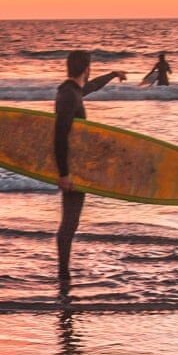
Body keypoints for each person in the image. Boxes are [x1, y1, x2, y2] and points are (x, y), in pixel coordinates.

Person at [53, 47, 125, 283]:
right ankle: (63, 276)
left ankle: (64, 272)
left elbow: (90, 86)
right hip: (72, 168)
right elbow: (60, 134)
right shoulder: (68, 96)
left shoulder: (72, 91)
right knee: (69, 222)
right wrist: (64, 174)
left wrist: (112, 74)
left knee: (71, 222)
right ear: (86, 68)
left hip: (76, 165)